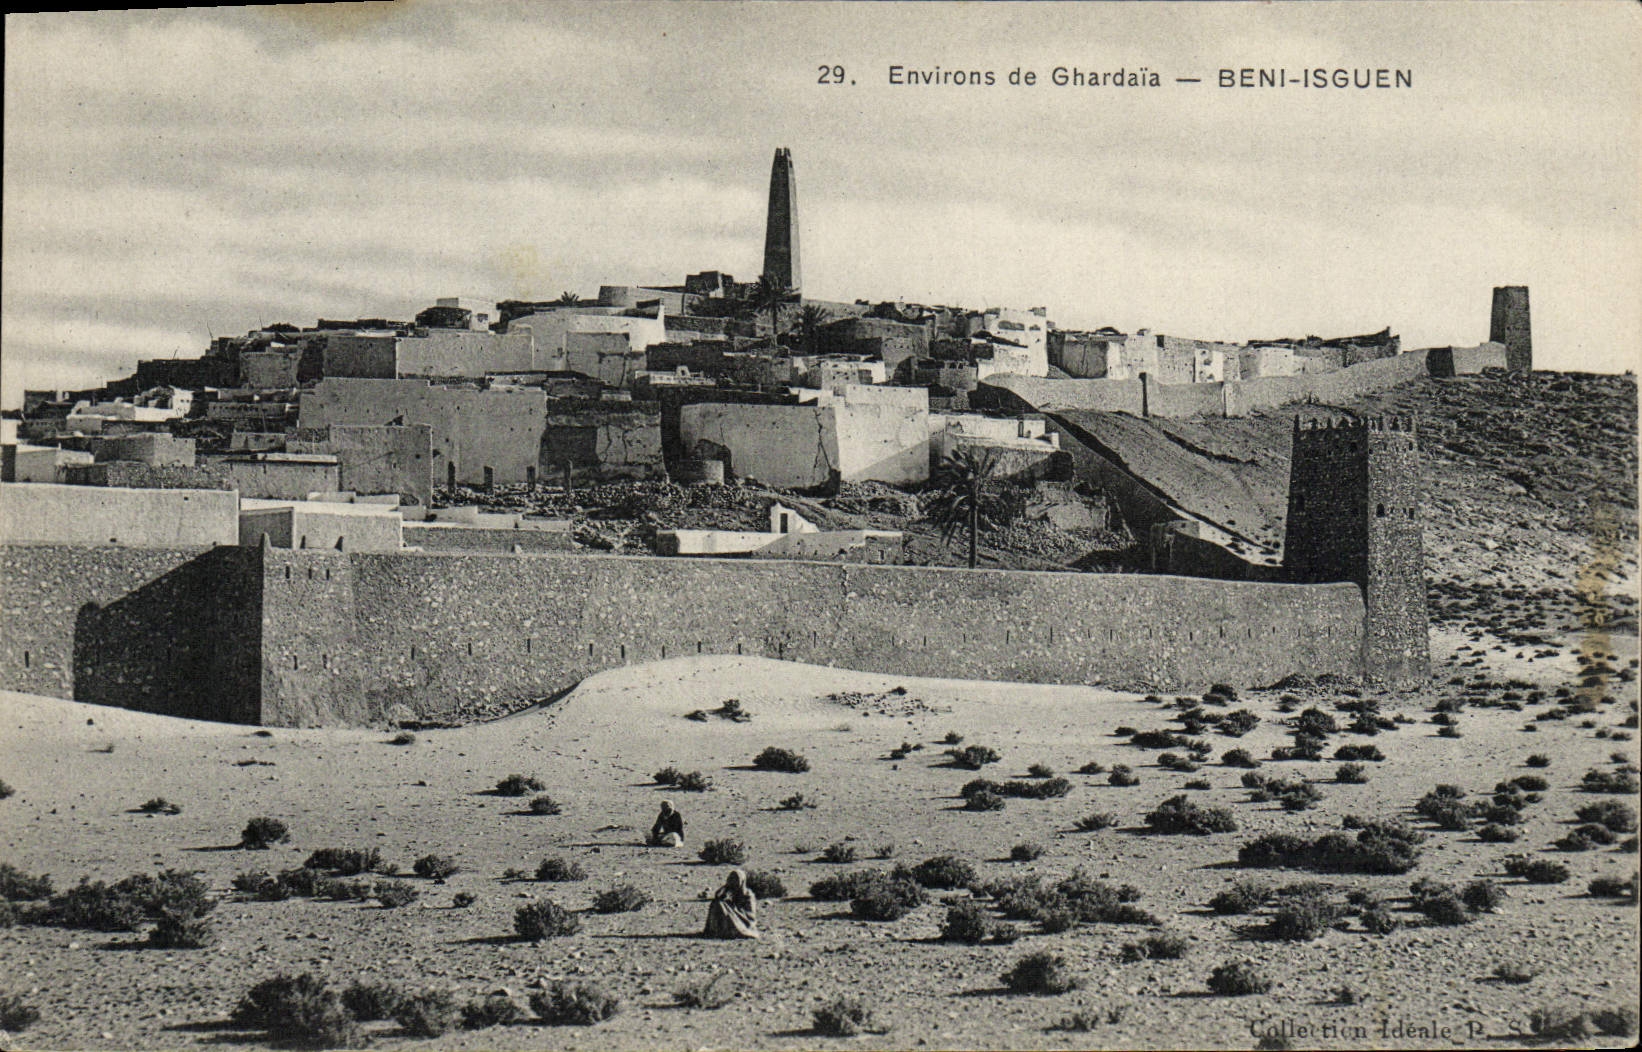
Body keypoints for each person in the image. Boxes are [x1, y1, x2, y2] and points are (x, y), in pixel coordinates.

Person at [703, 868, 759, 939]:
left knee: (724, 907)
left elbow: (750, 915)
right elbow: (717, 896)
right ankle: (716, 930)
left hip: (744, 920)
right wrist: (726, 887)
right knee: (717, 903)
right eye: (732, 879)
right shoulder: (732, 891)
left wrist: (734, 910)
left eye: (736, 879)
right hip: (734, 916)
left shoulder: (748, 895)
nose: (734, 882)